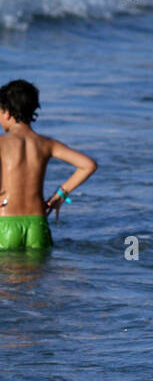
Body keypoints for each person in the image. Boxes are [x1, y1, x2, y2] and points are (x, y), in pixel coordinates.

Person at [0, 80, 98, 253]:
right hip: (38, 224)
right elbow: (88, 165)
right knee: (35, 278)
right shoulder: (47, 144)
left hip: (5, 222)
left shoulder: (2, 143)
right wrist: (61, 194)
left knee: (7, 277)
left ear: (7, 112)